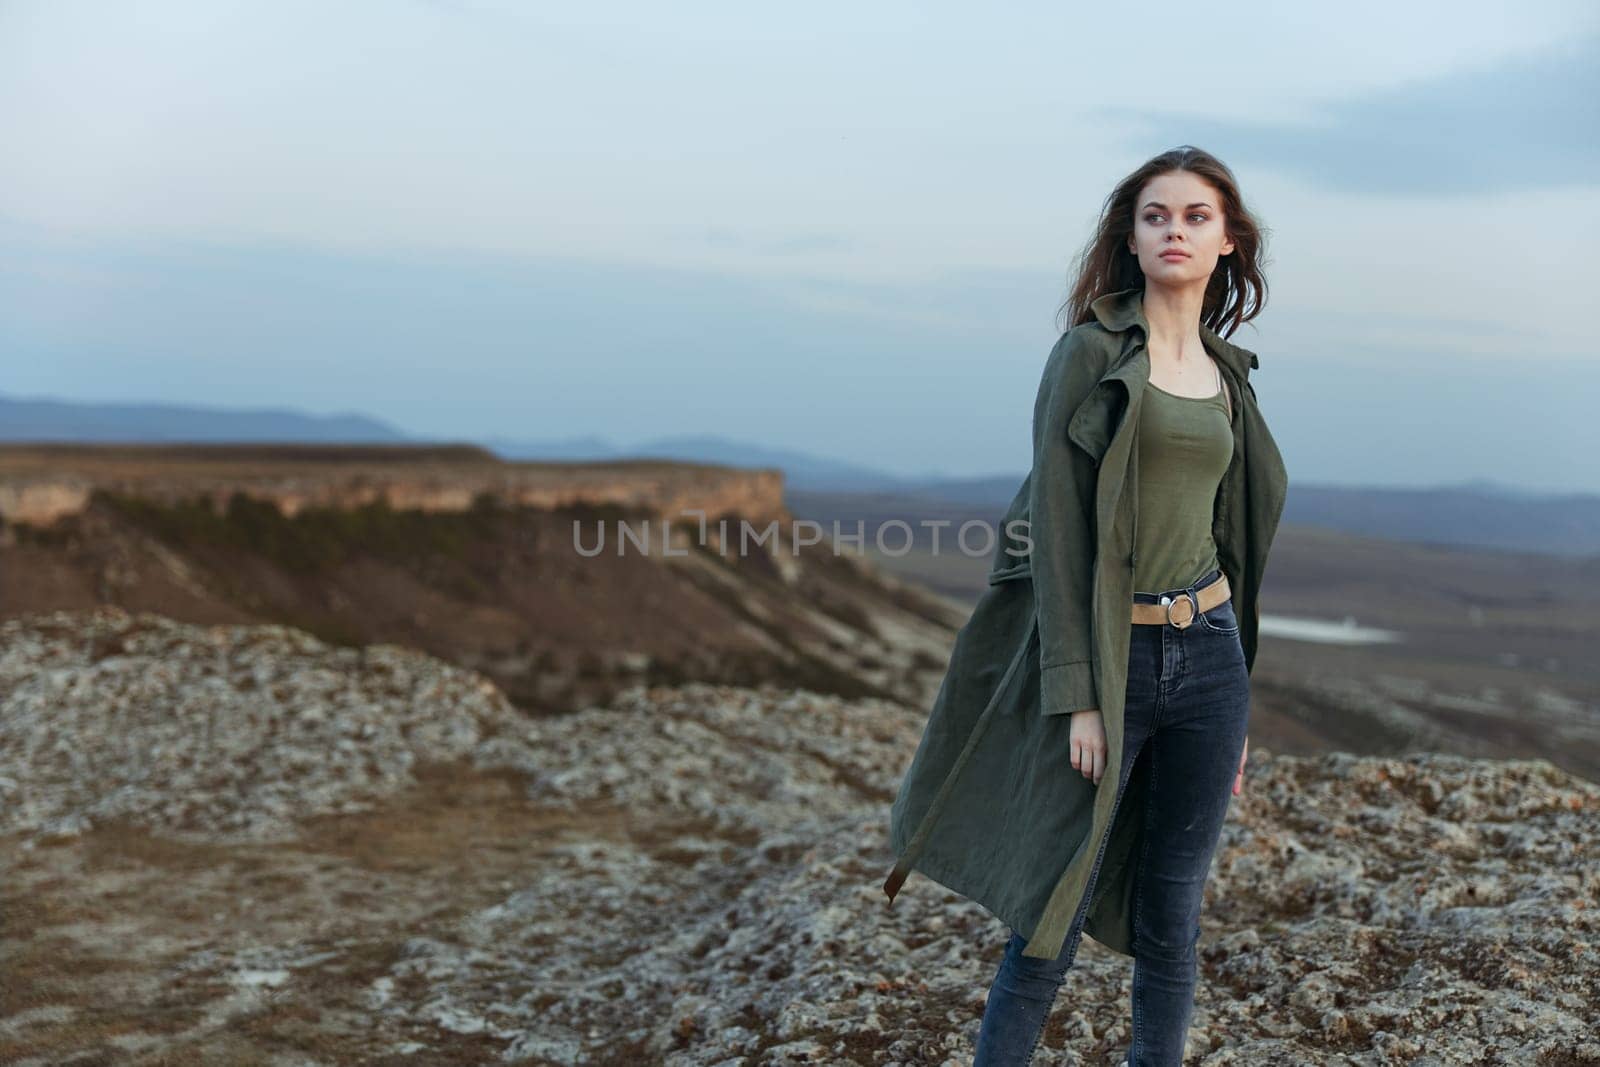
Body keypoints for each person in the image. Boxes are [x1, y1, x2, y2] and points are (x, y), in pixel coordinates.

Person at [881, 146, 1290, 1067]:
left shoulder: (1229, 374)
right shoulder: (1091, 355)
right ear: (1131, 237)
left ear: (1228, 241)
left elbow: (1228, 540)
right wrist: (1077, 691)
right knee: (1050, 909)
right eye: (1156, 216)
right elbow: (1057, 535)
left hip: (1211, 657)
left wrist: (1239, 701)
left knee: (1173, 914)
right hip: (1115, 657)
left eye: (1194, 216)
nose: (1174, 230)